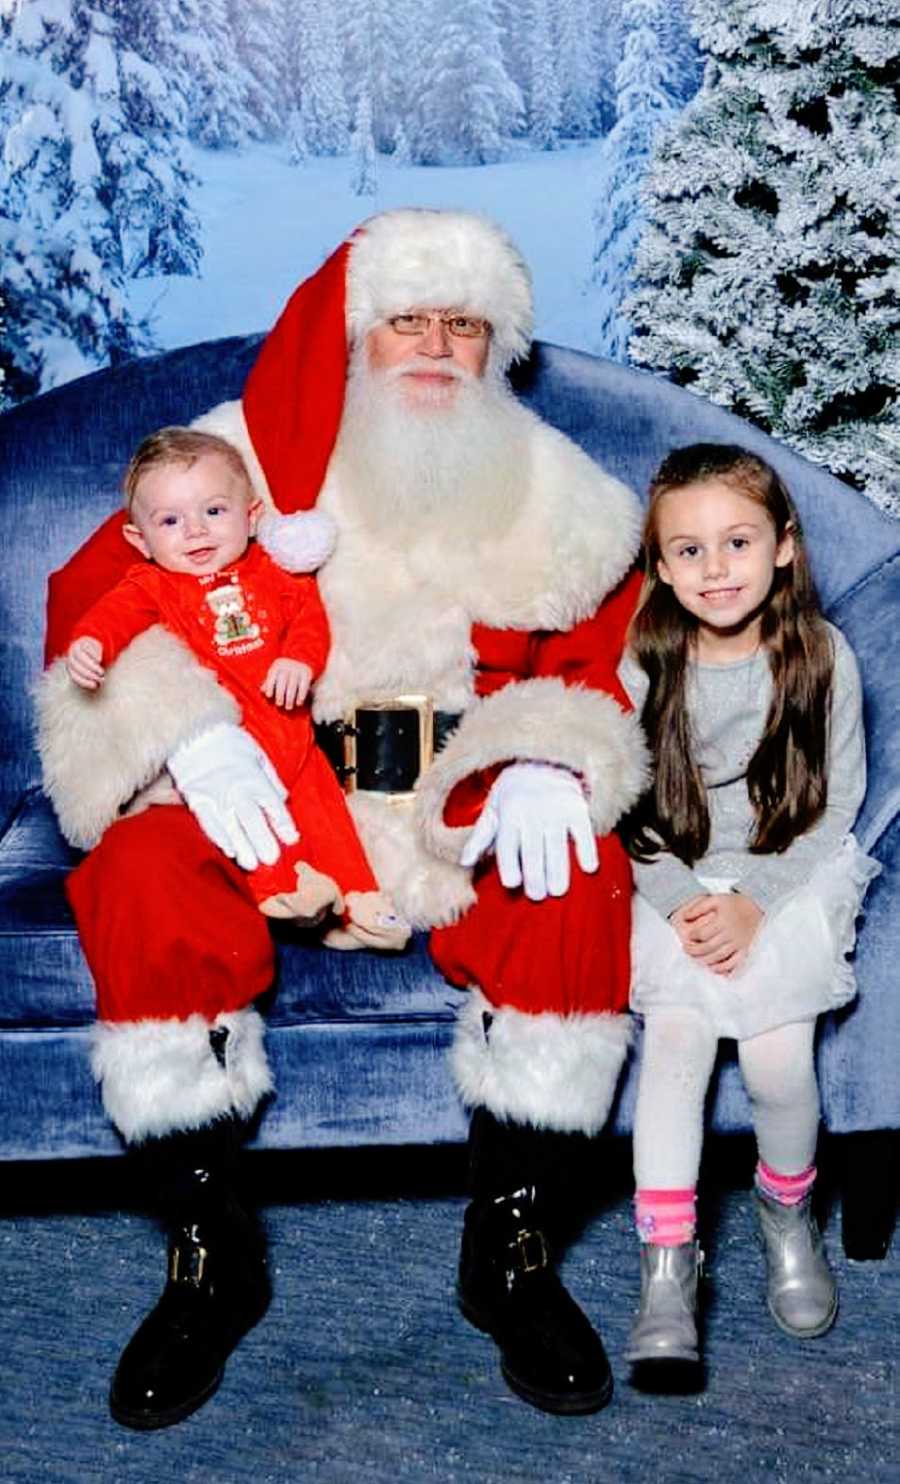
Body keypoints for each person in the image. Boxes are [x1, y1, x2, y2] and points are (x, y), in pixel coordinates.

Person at [36, 208, 647, 1427]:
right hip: (265, 790)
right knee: (139, 868)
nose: (434, 347)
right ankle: (211, 1249)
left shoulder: (561, 501)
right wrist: (188, 729)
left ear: (497, 346)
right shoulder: (225, 469)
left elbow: (606, 657)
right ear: (353, 336)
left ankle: (512, 1241)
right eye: (405, 321)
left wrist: (544, 759)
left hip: (450, 803)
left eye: (463, 326)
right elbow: (93, 608)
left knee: (581, 876)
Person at [617, 444, 879, 1377]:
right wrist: (683, 898)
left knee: (776, 1060)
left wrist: (758, 905)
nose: (713, 568)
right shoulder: (645, 659)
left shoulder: (820, 657)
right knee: (676, 1050)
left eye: (736, 542)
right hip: (672, 873)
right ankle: (665, 1267)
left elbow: (839, 804)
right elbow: (621, 800)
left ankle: (786, 1214)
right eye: (686, 550)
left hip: (787, 874)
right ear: (657, 565)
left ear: (784, 549)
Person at [64, 425, 409, 949]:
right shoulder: (151, 586)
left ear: (251, 517)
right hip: (233, 737)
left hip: (291, 729)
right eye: (171, 521)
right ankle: (284, 887)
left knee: (326, 812)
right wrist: (90, 644)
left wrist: (298, 658)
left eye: (214, 512)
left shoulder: (274, 571)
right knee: (247, 815)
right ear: (141, 539)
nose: (196, 532)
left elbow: (309, 619)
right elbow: (110, 619)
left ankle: (360, 897)